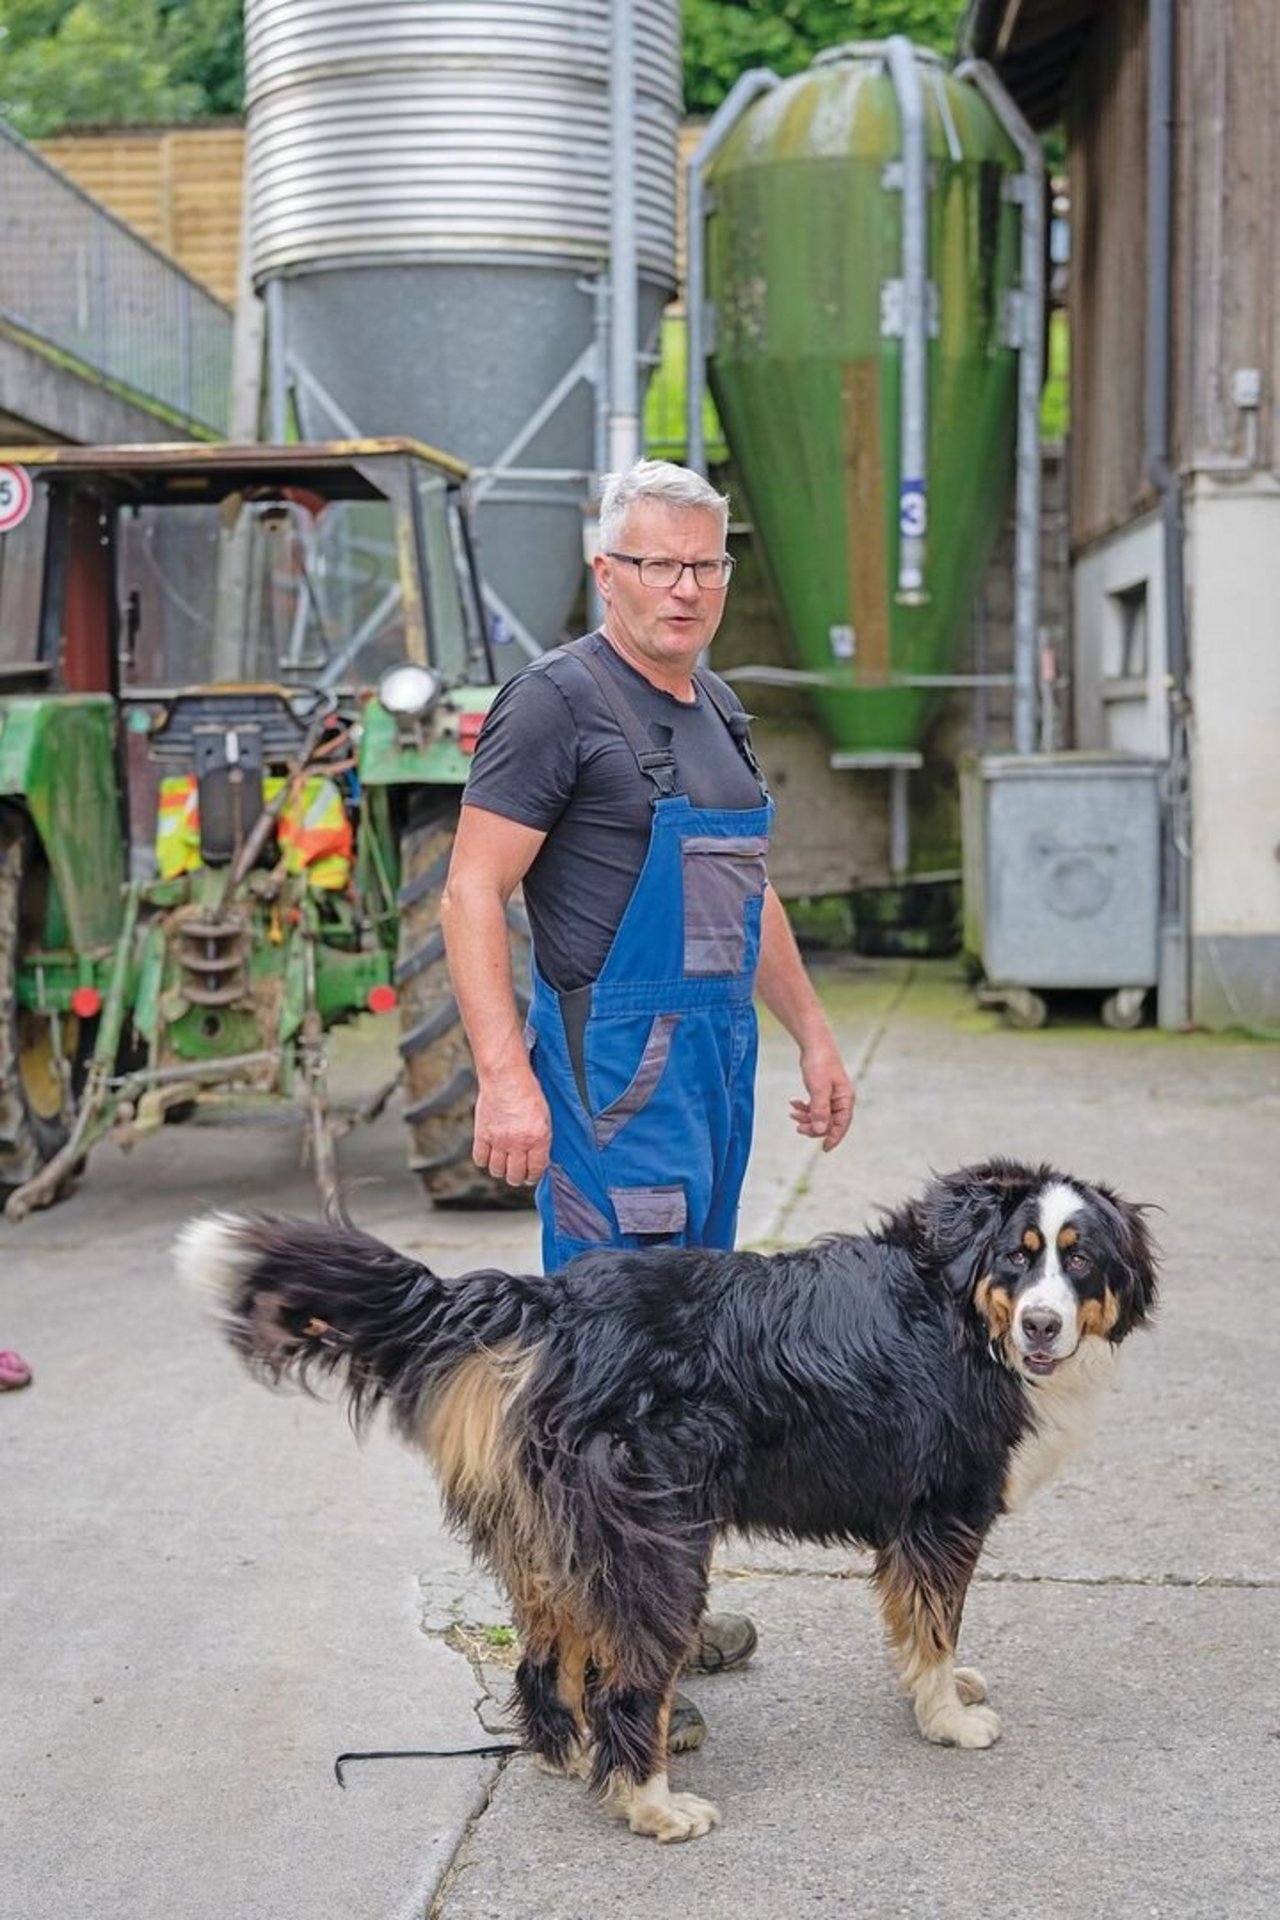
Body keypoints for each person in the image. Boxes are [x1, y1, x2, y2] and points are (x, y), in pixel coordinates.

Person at [440, 457, 854, 1738]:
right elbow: (468, 896)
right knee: (606, 1382)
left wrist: (813, 1035)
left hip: (714, 1069)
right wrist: (506, 1078)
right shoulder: (554, 706)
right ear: (604, 571)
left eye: (705, 565)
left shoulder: (716, 706)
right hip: (611, 1081)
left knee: (693, 1370)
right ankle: (592, 1661)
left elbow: (749, 888)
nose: (684, 588)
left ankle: (658, 1610)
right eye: (656, 565)